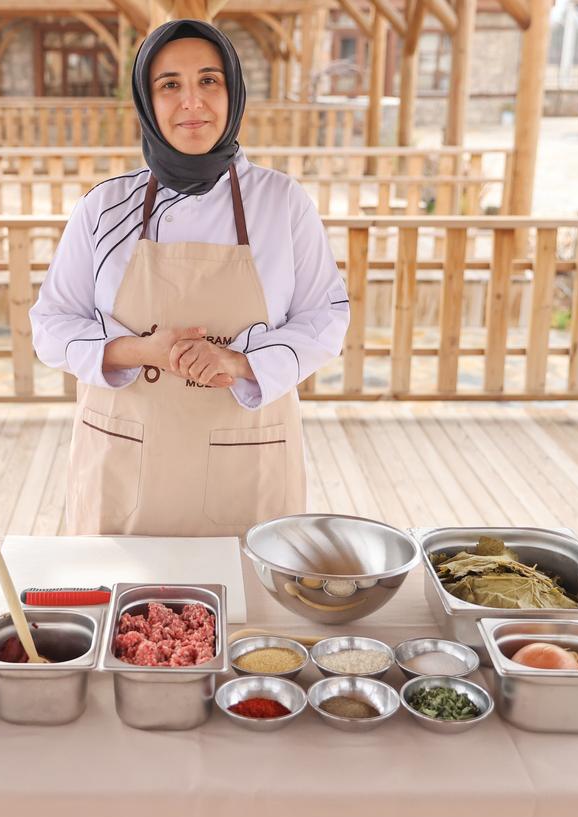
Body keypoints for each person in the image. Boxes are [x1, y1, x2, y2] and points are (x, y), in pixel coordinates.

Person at [29, 18, 349, 536]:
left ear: (234, 92)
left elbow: (325, 318)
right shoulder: (105, 207)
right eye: (170, 84)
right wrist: (142, 351)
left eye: (209, 80)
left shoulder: (281, 203)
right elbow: (51, 324)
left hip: (247, 463)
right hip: (124, 461)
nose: (192, 102)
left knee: (249, 611)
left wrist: (239, 361)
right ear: (146, 102)